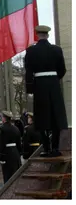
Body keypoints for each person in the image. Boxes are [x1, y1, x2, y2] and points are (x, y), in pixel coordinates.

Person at [24, 25, 68, 157]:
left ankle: (46, 148)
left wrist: (30, 88)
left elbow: (28, 72)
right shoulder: (57, 50)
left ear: (37, 35)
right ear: (47, 35)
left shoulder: (31, 51)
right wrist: (54, 79)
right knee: (56, 117)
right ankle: (55, 148)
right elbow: (62, 70)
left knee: (42, 118)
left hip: (40, 86)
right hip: (54, 85)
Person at [0, 111, 22, 184]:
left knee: (7, 174)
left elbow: (1, 144)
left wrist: (1, 157)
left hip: (7, 154)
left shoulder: (2, 129)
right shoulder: (16, 128)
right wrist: (19, 153)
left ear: (4, 118)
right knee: (15, 174)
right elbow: (19, 143)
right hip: (15, 153)